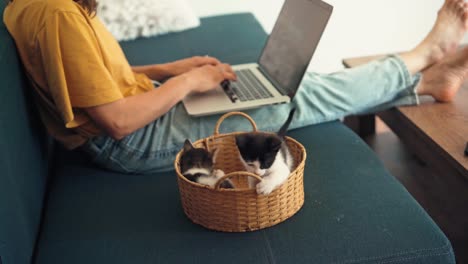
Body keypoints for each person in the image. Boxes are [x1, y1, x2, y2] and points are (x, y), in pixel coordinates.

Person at [3, 0, 468, 173]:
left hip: (135, 117)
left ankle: (426, 81)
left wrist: (169, 67)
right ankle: (422, 58)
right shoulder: (58, 12)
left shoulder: (38, 6)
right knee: (298, 96)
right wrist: (189, 82)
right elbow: (117, 122)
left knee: (282, 85)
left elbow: (94, 81)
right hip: (131, 142)